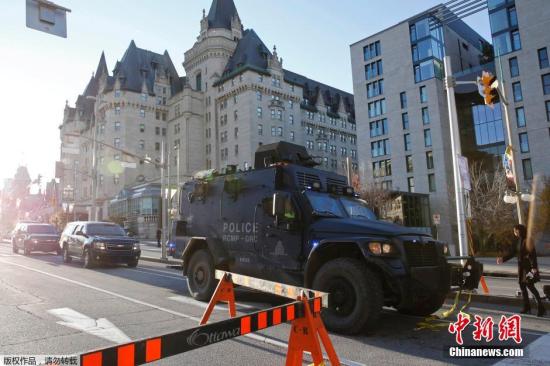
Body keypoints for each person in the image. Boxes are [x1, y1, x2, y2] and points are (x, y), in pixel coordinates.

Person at [497, 224, 546, 317]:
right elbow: (513, 253)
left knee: (530, 285)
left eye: (515, 231)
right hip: (521, 267)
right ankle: (527, 307)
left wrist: (534, 267)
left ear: (519, 231)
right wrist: (503, 259)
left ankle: (541, 308)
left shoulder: (528, 240)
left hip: (529, 268)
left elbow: (533, 254)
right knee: (522, 286)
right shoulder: (518, 240)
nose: (514, 232)